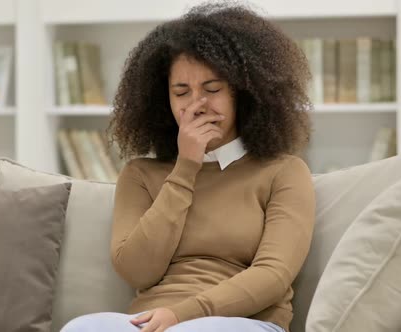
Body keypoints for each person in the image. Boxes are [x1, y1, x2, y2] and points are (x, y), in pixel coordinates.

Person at [61, 2, 315, 332]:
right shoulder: (140, 175)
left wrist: (183, 314)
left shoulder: (283, 172)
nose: (196, 105)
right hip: (149, 323)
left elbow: (274, 275)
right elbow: (138, 271)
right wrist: (185, 168)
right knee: (81, 328)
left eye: (212, 89)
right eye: (181, 92)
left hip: (241, 322)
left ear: (243, 93)